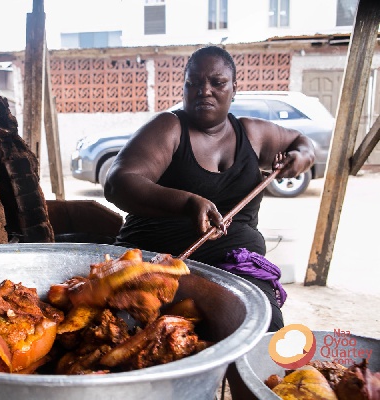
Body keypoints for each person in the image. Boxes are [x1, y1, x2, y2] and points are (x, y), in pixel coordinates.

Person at [103, 45, 315, 333]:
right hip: (161, 262)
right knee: (129, 329)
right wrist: (187, 203)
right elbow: (118, 183)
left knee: (264, 325)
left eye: (217, 82)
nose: (204, 90)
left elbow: (301, 142)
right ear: (185, 87)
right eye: (194, 83)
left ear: (233, 89)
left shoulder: (253, 134)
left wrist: (300, 158)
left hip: (234, 265)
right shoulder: (169, 128)